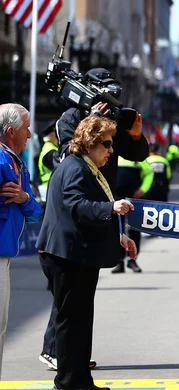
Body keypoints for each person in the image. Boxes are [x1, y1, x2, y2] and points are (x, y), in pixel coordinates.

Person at [40, 68, 149, 368]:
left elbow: (137, 154)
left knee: (82, 294)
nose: (109, 149)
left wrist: (136, 135)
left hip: (101, 205)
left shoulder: (113, 121)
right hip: (75, 214)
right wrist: (90, 117)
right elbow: (68, 157)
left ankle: (74, 356)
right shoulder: (71, 119)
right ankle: (56, 351)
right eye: (105, 95)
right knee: (69, 293)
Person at [36, 115, 137, 390]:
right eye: (106, 144)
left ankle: (81, 380)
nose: (111, 151)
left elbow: (87, 209)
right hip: (66, 256)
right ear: (90, 142)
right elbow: (76, 204)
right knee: (70, 323)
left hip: (77, 255)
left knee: (81, 321)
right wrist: (111, 208)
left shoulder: (86, 167)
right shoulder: (75, 167)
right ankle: (67, 382)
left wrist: (119, 236)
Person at [0, 103, 42, 379]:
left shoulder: (16, 162)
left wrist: (25, 199)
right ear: (11, 131)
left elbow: (35, 211)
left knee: (1, 326)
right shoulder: (4, 162)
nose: (29, 135)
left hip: (4, 256)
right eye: (26, 129)